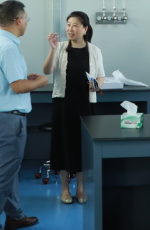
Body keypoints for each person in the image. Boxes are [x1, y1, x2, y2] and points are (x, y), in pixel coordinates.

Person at [0, 0, 48, 230]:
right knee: (2, 175)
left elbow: (9, 80)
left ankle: (15, 216)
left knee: (8, 171)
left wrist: (24, 78)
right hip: (9, 119)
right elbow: (18, 87)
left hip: (0, 116)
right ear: (18, 20)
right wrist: (41, 81)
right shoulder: (8, 48)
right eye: (26, 18)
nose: (27, 22)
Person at [43, 11, 105, 204]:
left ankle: (80, 187)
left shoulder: (94, 50)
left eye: (75, 25)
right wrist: (52, 49)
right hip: (63, 104)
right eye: (68, 24)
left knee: (82, 147)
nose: (70, 29)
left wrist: (97, 85)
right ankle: (64, 189)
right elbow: (47, 70)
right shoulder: (61, 47)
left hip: (86, 104)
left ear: (85, 29)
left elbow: (101, 76)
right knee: (63, 145)